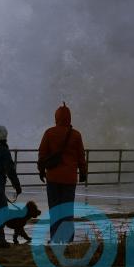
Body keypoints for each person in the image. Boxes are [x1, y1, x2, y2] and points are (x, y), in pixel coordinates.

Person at [37, 103, 87, 243]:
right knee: (67, 210)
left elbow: (42, 153)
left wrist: (41, 171)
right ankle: (68, 238)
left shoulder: (49, 133)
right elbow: (80, 156)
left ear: (56, 117)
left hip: (52, 177)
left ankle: (55, 238)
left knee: (54, 209)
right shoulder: (76, 135)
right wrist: (83, 172)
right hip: (70, 179)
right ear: (69, 118)